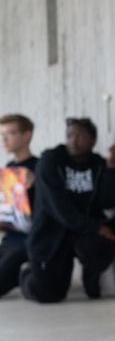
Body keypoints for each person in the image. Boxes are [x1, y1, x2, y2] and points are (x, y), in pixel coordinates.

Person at [21, 117, 115, 302]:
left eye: (80, 136)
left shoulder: (97, 165)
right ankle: (28, 275)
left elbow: (107, 201)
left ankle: (91, 279)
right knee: (48, 295)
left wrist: (110, 168)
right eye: (69, 136)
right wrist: (95, 227)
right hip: (51, 235)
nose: (73, 141)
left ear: (92, 140)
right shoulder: (50, 161)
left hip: (82, 233)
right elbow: (58, 208)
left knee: (103, 242)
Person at [0, 114, 37, 298]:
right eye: (2, 135)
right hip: (9, 239)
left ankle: (25, 273)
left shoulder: (39, 167)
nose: (4, 140)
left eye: (10, 134)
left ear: (27, 135)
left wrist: (37, 183)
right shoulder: (8, 168)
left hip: (27, 242)